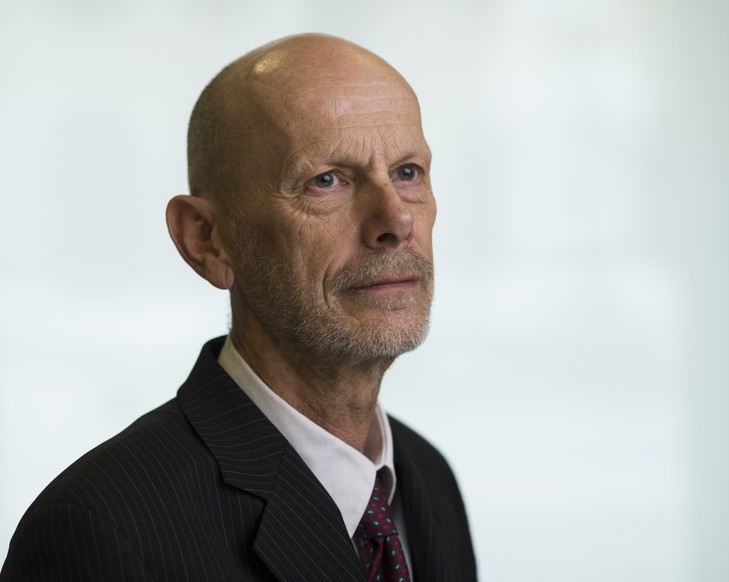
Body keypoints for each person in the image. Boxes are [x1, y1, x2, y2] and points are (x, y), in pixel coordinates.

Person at [0, 33, 476, 581]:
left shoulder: (427, 481)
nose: (396, 222)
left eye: (408, 173)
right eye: (326, 181)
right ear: (206, 239)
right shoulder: (102, 528)